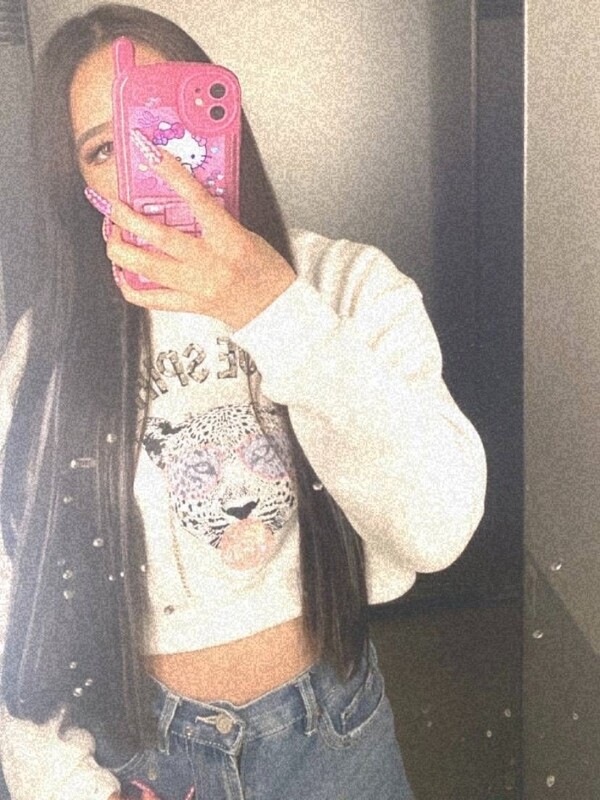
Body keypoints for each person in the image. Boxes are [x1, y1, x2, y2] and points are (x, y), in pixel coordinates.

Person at [0, 4, 487, 799]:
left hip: (335, 738)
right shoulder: (46, 349)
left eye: (161, 121)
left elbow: (437, 529)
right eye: (104, 148)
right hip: (142, 756)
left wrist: (273, 310)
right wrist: (66, 788)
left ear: (222, 117)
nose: (149, 164)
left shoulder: (346, 286)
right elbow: (13, 590)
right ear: (77, 185)